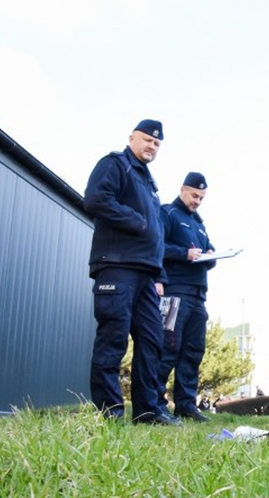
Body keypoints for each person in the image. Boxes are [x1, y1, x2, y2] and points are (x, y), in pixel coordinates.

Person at [83, 119, 180, 425]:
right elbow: (96, 199)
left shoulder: (149, 183)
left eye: (157, 144)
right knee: (113, 338)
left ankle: (147, 411)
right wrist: (136, 221)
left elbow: (157, 237)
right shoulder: (116, 164)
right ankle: (110, 411)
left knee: (152, 341)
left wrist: (159, 275)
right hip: (117, 267)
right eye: (147, 140)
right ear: (132, 138)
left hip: (146, 275)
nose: (152, 146)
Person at [156, 172, 214, 422]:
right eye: (194, 195)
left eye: (201, 197)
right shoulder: (168, 213)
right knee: (167, 348)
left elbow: (206, 255)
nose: (197, 201)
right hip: (174, 292)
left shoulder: (199, 224)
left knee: (193, 351)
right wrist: (184, 254)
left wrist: (210, 255)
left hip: (198, 296)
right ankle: (155, 402)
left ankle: (186, 404)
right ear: (182, 190)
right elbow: (156, 246)